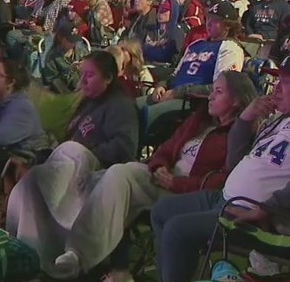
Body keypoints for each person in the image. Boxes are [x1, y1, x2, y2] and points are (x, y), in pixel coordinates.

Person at [151, 54, 290, 282]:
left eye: (285, 82)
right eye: (277, 81)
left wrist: (268, 207)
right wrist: (245, 120)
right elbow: (234, 162)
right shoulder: (281, 119)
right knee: (161, 211)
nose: (276, 88)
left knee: (177, 230)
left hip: (263, 217)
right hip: (227, 199)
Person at [52, 71, 257, 280]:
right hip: (162, 179)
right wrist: (160, 165)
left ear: (236, 100)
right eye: (212, 90)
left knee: (113, 186)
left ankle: (86, 259)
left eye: (218, 92)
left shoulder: (238, 137)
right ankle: (82, 255)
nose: (211, 96)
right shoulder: (199, 119)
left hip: (187, 195)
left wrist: (176, 183)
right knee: (116, 173)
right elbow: (167, 147)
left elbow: (222, 180)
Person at [7, 51, 140, 274]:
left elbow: (125, 147)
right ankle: (28, 248)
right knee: (28, 182)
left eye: (90, 75)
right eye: (82, 74)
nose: (82, 80)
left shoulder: (121, 106)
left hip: (95, 170)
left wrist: (87, 154)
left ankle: (37, 257)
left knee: (35, 183)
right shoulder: (89, 103)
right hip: (68, 162)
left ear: (108, 78)